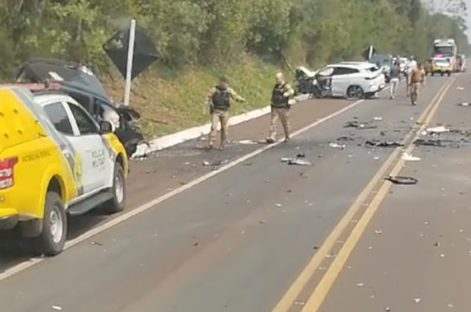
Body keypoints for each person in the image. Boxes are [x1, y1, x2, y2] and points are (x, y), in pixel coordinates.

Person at [207, 77, 246, 149]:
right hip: (216, 111)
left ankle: (222, 143)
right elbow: (208, 98)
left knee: (224, 128)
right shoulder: (214, 90)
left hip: (225, 111)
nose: (224, 85)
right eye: (223, 84)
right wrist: (208, 106)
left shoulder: (229, 90)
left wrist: (241, 100)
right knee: (214, 126)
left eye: (226, 84)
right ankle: (211, 141)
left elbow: (235, 96)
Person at [266, 72, 295, 143]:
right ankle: (272, 136)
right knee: (273, 122)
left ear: (282, 78)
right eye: (276, 79)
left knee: (285, 122)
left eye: (278, 79)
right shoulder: (276, 86)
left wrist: (287, 93)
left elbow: (292, 91)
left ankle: (287, 135)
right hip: (275, 106)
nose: (277, 80)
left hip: (283, 107)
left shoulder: (286, 85)